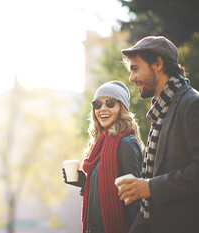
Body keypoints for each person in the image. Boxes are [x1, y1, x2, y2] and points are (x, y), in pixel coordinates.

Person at [118, 35, 199, 233]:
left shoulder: (191, 104)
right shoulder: (160, 110)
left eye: (135, 68)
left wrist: (151, 187)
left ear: (158, 64)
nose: (131, 78)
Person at [63, 81, 144, 233]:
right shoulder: (100, 145)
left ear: (122, 108)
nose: (103, 109)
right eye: (98, 105)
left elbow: (134, 202)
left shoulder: (126, 143)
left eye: (110, 103)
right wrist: (84, 183)